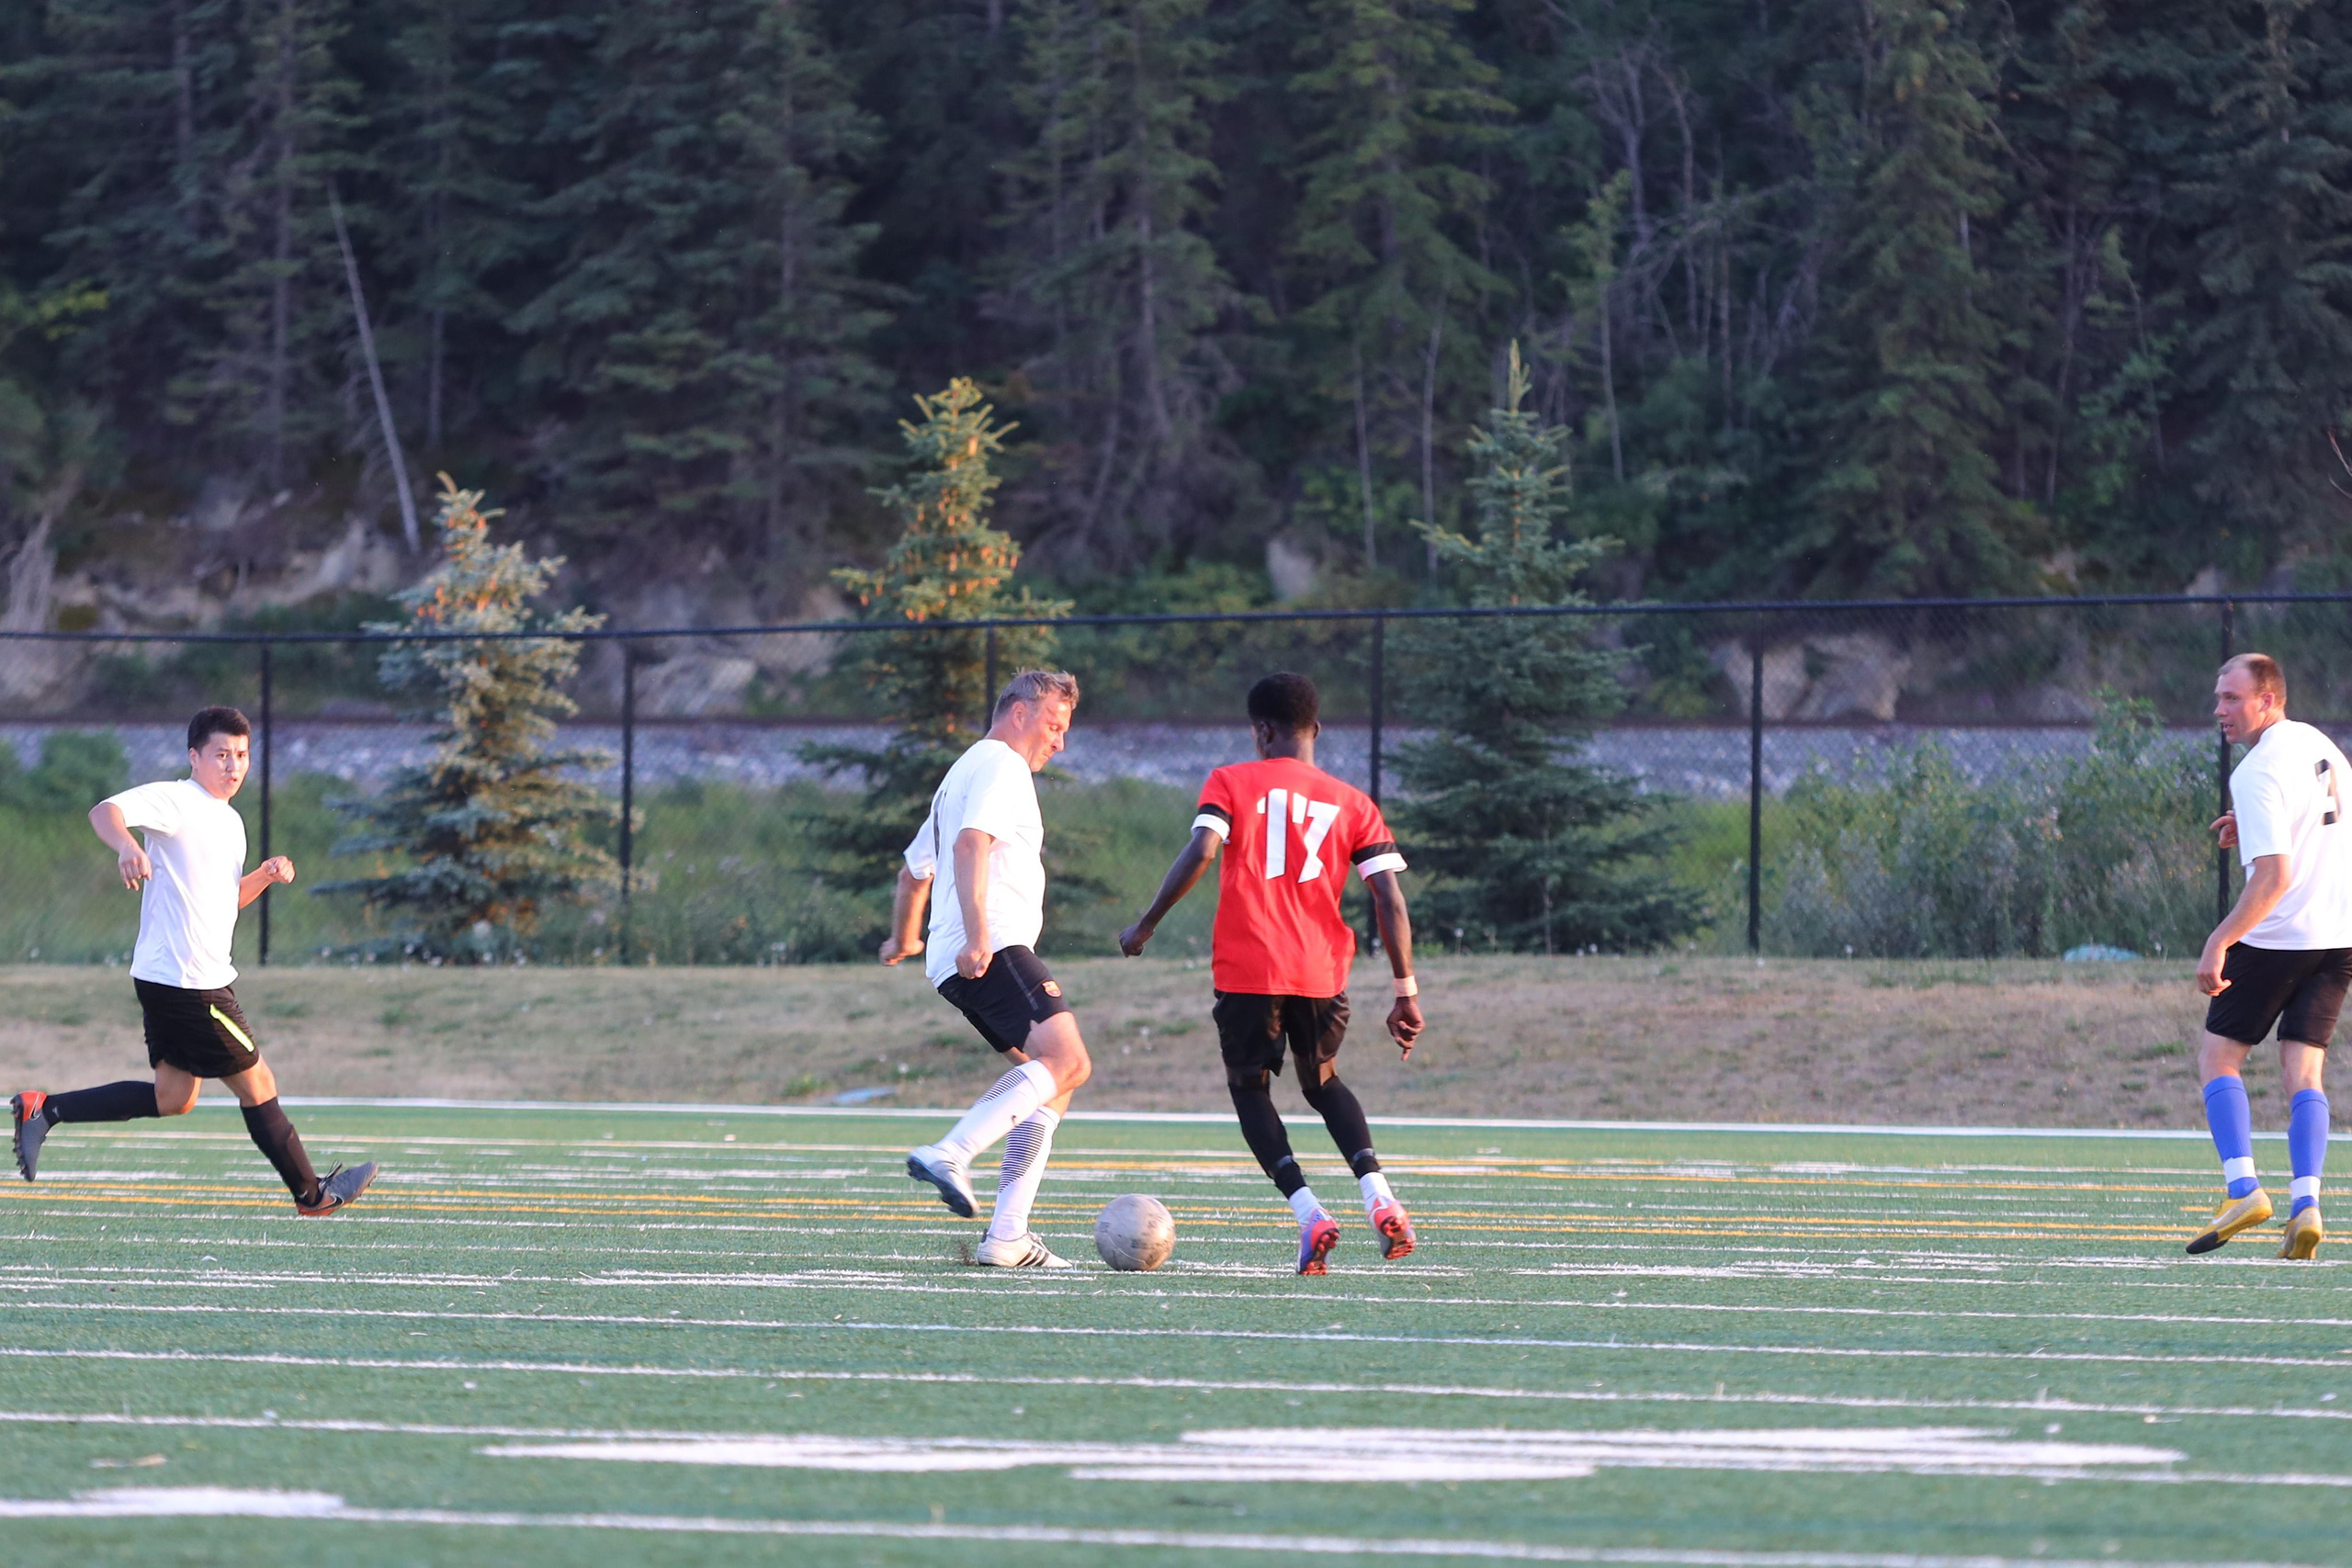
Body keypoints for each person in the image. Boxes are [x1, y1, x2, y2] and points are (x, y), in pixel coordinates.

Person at [11, 706, 379, 1214]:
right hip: (191, 985)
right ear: (194, 756)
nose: (234, 766)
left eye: (242, 756)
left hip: (169, 978)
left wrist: (265, 876)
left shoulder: (229, 820)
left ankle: (43, 1110)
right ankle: (313, 1196)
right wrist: (124, 847)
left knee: (175, 1097)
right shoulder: (178, 800)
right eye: (222, 755)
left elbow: (225, 902)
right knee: (259, 1083)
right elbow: (104, 812)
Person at [1119, 671, 1424, 1275]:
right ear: (1315, 730)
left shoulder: (1231, 780)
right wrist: (1404, 990)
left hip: (1250, 967)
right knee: (1324, 1083)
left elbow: (1204, 849)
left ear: (1262, 731)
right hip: (1320, 972)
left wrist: (1147, 922)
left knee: (1250, 1088)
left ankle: (1311, 1213)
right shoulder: (1353, 802)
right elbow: (1388, 897)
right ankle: (1379, 1196)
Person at [883, 670, 1093, 1268]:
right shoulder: (1002, 764)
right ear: (1019, 713)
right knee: (1071, 1059)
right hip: (993, 944)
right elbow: (971, 845)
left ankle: (1007, 1236)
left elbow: (913, 872)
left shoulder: (961, 773)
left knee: (1054, 1083)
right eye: (1054, 725)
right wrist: (978, 937)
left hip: (955, 960)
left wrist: (902, 938)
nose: (1060, 741)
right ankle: (951, 1152)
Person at [2189, 653, 2343, 1260]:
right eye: (2218, 697)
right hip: (2338, 936)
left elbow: (2274, 877)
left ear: (2267, 698)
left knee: (2218, 1058)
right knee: (2305, 1073)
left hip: (2279, 938)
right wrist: (2249, 826)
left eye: (2231, 697)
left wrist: (2221, 937)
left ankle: (2244, 1188)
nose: (2220, 710)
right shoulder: (2321, 745)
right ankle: (2307, 1203)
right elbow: (2321, 826)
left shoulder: (2255, 771)